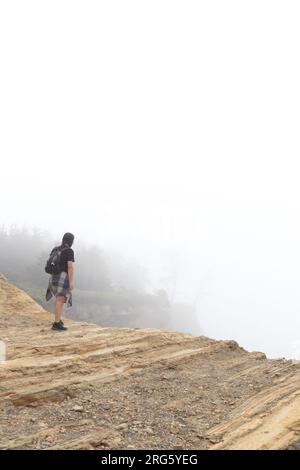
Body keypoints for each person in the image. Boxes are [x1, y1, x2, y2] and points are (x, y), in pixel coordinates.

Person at [46, 232, 75, 331]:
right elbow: (70, 267)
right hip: (62, 277)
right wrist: (71, 282)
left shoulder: (56, 249)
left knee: (60, 299)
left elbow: (51, 262)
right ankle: (56, 323)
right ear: (71, 241)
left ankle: (58, 320)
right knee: (60, 299)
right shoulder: (69, 251)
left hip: (53, 276)